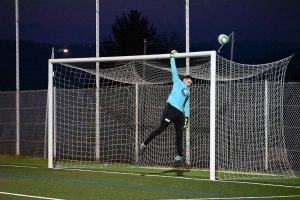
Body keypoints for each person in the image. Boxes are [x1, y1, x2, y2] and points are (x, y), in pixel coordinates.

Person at [139, 50, 193, 167]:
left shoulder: (188, 92)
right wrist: (172, 57)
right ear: (184, 80)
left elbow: (187, 105)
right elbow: (174, 70)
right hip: (171, 109)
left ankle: (179, 157)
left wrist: (187, 118)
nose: (190, 83)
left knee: (180, 135)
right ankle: (144, 144)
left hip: (180, 114)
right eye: (189, 81)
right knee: (161, 129)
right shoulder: (178, 82)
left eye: (191, 83)